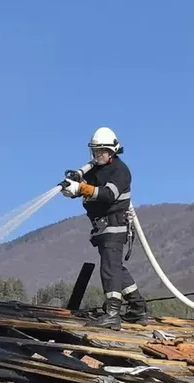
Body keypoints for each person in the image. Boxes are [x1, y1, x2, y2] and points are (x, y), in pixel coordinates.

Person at [60, 127, 148, 330]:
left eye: (102, 151)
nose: (97, 154)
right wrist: (72, 188)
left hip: (114, 226)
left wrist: (81, 188)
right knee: (115, 267)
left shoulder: (120, 171)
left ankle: (112, 314)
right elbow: (88, 188)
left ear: (112, 151)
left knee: (109, 269)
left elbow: (108, 194)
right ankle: (138, 308)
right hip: (102, 227)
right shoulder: (95, 170)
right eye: (95, 151)